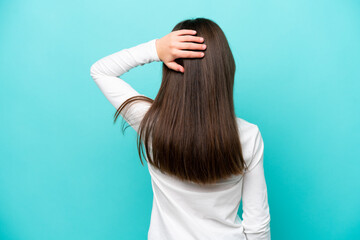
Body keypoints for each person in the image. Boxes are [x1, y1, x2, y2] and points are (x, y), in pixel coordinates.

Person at [90, 17, 270, 240]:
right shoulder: (248, 135)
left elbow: (101, 71)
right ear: (225, 70)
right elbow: (257, 226)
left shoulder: (151, 124)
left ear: (172, 69)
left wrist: (156, 48)